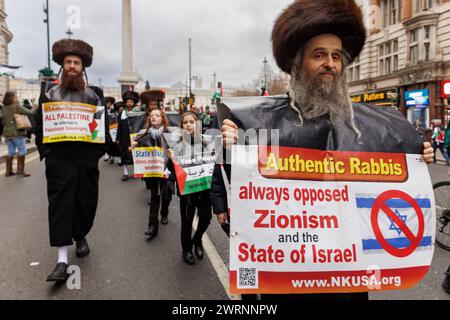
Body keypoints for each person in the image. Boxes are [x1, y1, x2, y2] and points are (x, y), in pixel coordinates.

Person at [214, 0, 434, 300]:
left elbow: (399, 169)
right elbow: (247, 196)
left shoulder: (365, 125)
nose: (330, 63)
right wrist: (230, 150)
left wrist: (418, 157)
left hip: (347, 281)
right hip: (289, 281)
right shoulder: (262, 122)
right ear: (296, 63)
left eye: (336, 56)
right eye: (319, 55)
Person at [35, 38, 109, 282]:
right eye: (68, 62)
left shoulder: (94, 95)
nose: (72, 66)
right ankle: (62, 259)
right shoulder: (49, 93)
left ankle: (81, 234)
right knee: (61, 205)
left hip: (86, 159)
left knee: (85, 202)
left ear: (83, 67)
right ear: (62, 65)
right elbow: (40, 125)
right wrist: (45, 152)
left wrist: (98, 152)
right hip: (60, 159)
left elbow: (103, 127)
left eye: (76, 62)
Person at [167, 112, 213, 265]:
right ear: (181, 127)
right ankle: (186, 250)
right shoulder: (178, 146)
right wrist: (171, 160)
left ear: (197, 124)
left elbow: (215, 162)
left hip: (205, 189)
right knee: (186, 222)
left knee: (206, 217)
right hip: (187, 190)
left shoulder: (208, 143)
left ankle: (197, 239)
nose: (188, 125)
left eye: (191, 122)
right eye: (185, 123)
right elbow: (172, 169)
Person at [132, 108, 170, 240]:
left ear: (162, 118)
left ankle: (164, 213)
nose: (153, 117)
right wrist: (133, 147)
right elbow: (137, 147)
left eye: (157, 115)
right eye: (152, 115)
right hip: (153, 172)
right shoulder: (144, 135)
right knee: (155, 196)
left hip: (167, 171)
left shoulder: (169, 134)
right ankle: (152, 226)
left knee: (166, 195)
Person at [2, 92, 38, 177]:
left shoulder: (4, 108)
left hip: (7, 134)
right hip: (17, 133)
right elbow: (30, 112)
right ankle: (20, 170)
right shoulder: (16, 107)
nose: (17, 98)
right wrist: (35, 106)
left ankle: (8, 171)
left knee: (11, 151)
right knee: (22, 150)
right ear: (12, 98)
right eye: (15, 96)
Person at [116, 91, 139, 181]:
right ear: (125, 103)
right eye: (128, 101)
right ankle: (125, 173)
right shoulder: (121, 114)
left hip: (134, 137)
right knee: (124, 155)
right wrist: (117, 138)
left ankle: (135, 172)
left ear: (134, 103)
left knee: (134, 155)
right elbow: (119, 126)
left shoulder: (137, 113)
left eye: (131, 102)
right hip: (123, 137)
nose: (129, 103)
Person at [103, 96, 116, 162]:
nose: (108, 104)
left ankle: (112, 156)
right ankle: (107, 154)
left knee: (112, 142)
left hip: (112, 128)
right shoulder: (102, 110)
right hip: (105, 128)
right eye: (107, 103)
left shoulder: (114, 111)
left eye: (109, 103)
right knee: (106, 141)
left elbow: (116, 119)